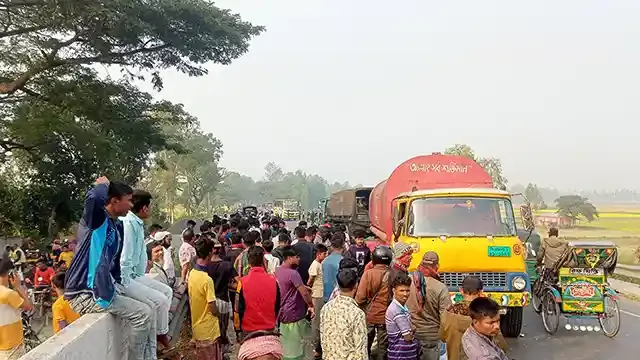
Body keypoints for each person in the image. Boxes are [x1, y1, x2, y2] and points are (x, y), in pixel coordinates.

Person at [64, 177, 153, 360]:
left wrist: (118, 284)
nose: (131, 205)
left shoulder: (116, 225)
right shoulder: (96, 221)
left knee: (150, 307)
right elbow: (95, 198)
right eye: (128, 200)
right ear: (114, 201)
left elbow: (113, 264)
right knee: (143, 314)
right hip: (85, 293)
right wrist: (102, 185)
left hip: (103, 289)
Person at [120, 190, 174, 359]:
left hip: (137, 274)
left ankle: (160, 334)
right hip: (127, 277)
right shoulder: (128, 224)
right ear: (144, 208)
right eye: (149, 207)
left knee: (167, 292)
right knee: (158, 302)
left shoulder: (136, 223)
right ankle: (160, 339)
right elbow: (124, 258)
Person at [440, 276, 507, 360]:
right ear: (480, 291)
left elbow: (442, 336)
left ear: (461, 290)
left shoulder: (449, 312)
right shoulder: (485, 315)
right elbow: (501, 345)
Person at [237, 246, 283, 360]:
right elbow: (278, 306)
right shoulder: (273, 280)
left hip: (248, 330)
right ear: (263, 260)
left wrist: (238, 331)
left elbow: (238, 310)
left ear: (248, 261)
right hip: (269, 328)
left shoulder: (242, 282)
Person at [275, 246, 315, 360]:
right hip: (294, 313)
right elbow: (304, 293)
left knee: (286, 344)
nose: (299, 259)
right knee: (296, 346)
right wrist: (311, 305)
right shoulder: (293, 273)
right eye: (297, 257)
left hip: (282, 313)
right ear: (289, 258)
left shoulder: (277, 271)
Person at [320, 268, 367, 360]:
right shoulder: (357, 313)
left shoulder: (326, 308)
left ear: (338, 285)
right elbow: (361, 350)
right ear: (356, 285)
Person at [411, 251, 451, 360]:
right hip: (431, 336)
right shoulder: (440, 287)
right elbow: (445, 318)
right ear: (436, 266)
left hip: (411, 334)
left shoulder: (408, 282)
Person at [355, 245, 393, 360]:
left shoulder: (368, 274)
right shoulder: (393, 274)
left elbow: (360, 298)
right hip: (386, 317)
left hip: (369, 315)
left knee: (365, 345)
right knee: (383, 348)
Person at [189, 239, 222, 359]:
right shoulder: (207, 280)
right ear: (209, 255)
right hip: (208, 330)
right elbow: (212, 307)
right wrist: (219, 314)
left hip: (197, 328)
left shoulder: (192, 273)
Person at [207, 241, 239, 355]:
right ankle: (223, 351)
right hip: (224, 301)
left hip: (209, 301)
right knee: (223, 327)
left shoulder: (205, 266)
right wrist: (229, 285)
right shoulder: (227, 265)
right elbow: (238, 281)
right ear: (220, 250)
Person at [0, 252, 33, 359]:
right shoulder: (8, 294)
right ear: (9, 274)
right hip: (12, 345)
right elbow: (29, 307)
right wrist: (18, 287)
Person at [386, 273, 420, 360]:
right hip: (400, 355)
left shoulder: (402, 307)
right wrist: (412, 331)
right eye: (401, 291)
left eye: (407, 290)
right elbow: (407, 337)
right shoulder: (397, 310)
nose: (405, 294)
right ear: (394, 291)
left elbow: (411, 328)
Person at [307, 243, 328, 358]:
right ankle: (315, 346)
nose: (325, 256)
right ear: (319, 254)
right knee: (316, 321)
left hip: (319, 294)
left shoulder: (319, 264)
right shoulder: (315, 265)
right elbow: (310, 280)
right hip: (317, 294)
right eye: (324, 254)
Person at [322, 237, 344, 302]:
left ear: (331, 247)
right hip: (338, 295)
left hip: (326, 294)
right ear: (343, 247)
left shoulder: (324, 261)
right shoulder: (343, 261)